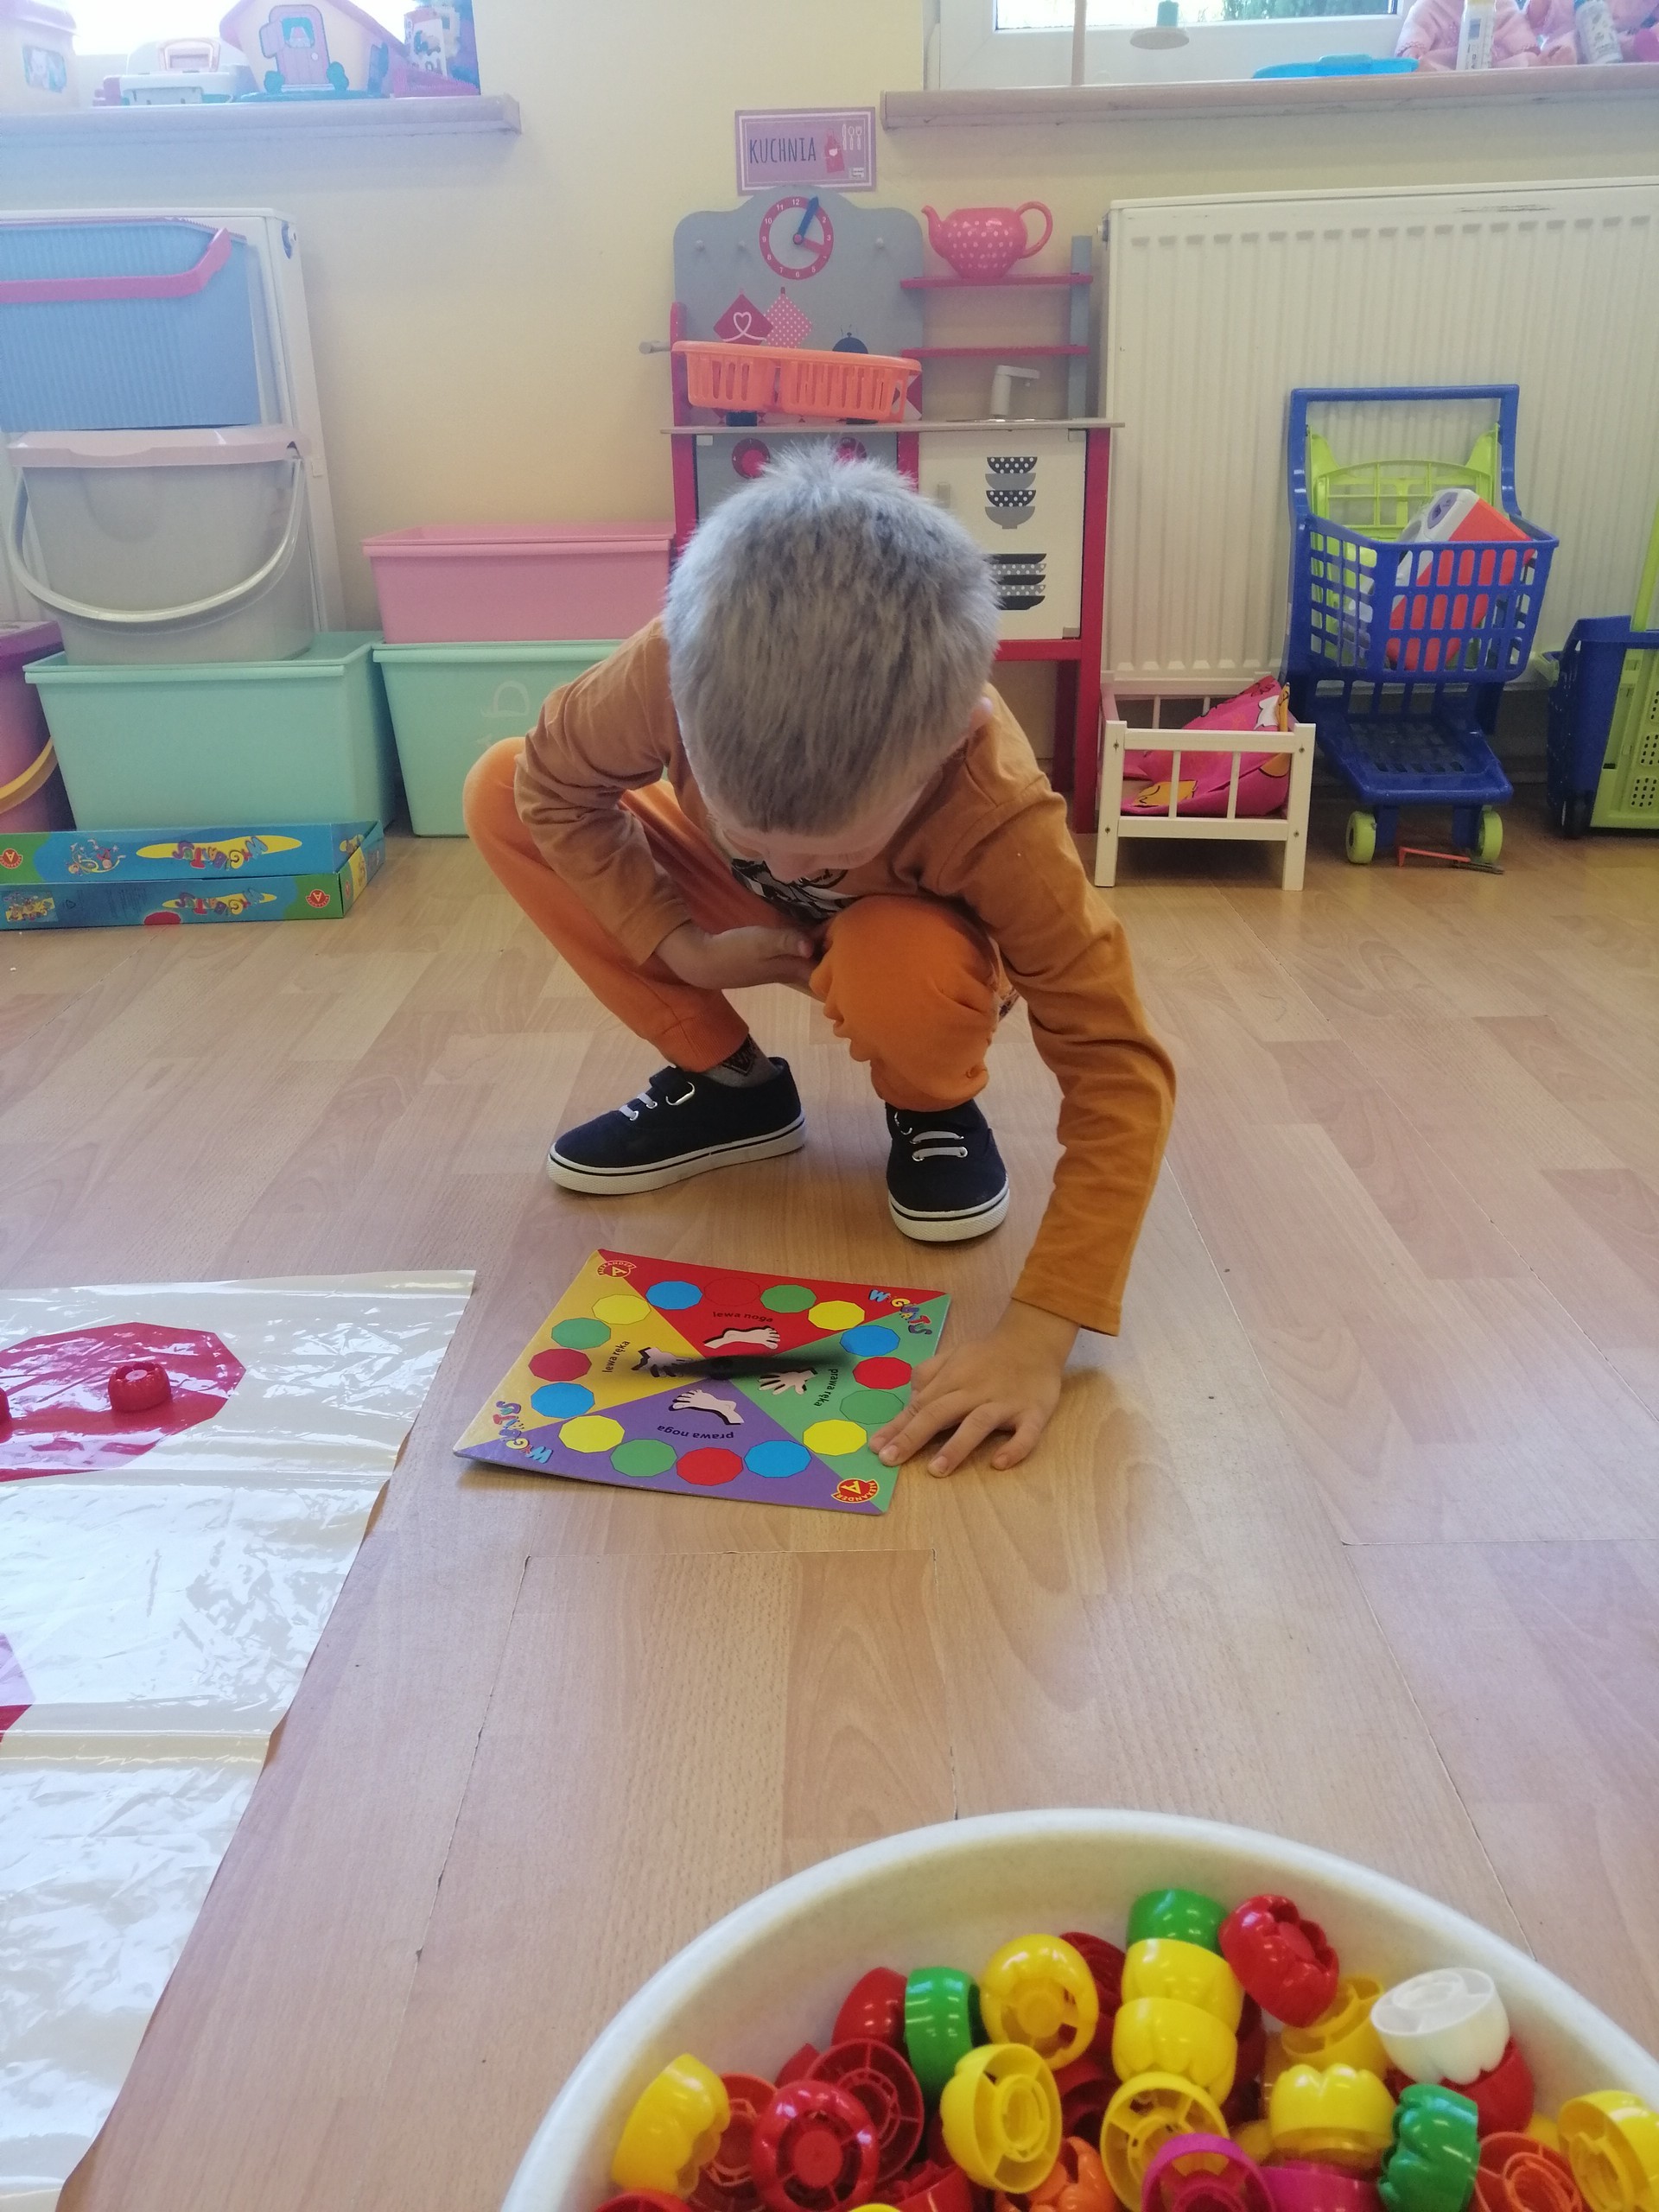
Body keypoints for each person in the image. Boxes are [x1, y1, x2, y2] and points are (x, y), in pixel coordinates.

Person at [464, 450, 1174, 1475]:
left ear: (955, 738)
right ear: (679, 691)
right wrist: (684, 948)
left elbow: (1118, 1066)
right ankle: (730, 1086)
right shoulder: (673, 663)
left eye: (831, 847)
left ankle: (931, 1106)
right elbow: (549, 782)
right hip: (723, 920)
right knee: (499, 789)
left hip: (912, 939)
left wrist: (1039, 1334)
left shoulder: (1000, 813)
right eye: (754, 832)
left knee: (898, 964)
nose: (787, 871)